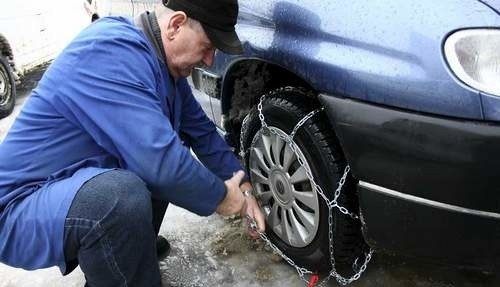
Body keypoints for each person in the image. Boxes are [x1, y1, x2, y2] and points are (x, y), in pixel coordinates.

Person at [0, 0, 265, 286]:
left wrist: (244, 187)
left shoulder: (165, 68)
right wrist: (222, 199)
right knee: (120, 198)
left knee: (171, 151)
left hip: (73, 182)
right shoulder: (111, 51)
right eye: (208, 46)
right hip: (20, 207)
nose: (210, 61)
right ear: (176, 25)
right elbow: (161, 164)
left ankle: (133, 251)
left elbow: (203, 133)